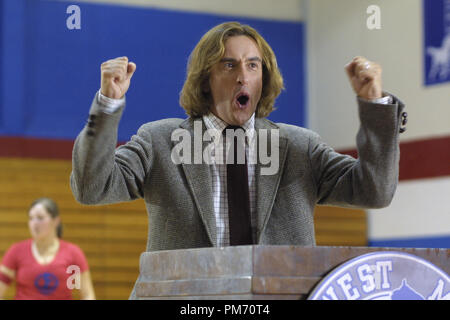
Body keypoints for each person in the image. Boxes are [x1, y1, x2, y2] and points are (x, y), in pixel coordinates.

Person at [70, 22, 406, 298]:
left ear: (264, 77)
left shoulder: (299, 146)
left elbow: (374, 191)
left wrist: (375, 107)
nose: (242, 76)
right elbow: (92, 187)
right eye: (228, 64)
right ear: (206, 78)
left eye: (252, 65)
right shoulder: (160, 141)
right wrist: (108, 105)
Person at [0, 198, 95, 300]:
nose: (34, 223)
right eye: (31, 218)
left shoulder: (73, 253)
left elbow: (87, 295)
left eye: (40, 218)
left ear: (56, 221)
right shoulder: (16, 251)